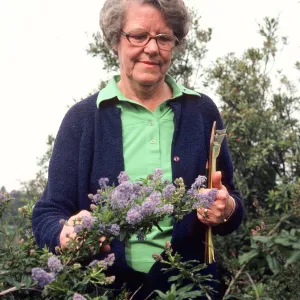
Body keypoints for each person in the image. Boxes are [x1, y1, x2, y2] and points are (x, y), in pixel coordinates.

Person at [32, 0, 244, 298]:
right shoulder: (82, 119)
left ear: (175, 43)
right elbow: (48, 212)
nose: (152, 48)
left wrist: (226, 208)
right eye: (139, 35)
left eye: (163, 38)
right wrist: (64, 233)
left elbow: (231, 203)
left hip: (190, 289)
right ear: (115, 40)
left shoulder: (202, 112)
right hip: (105, 290)